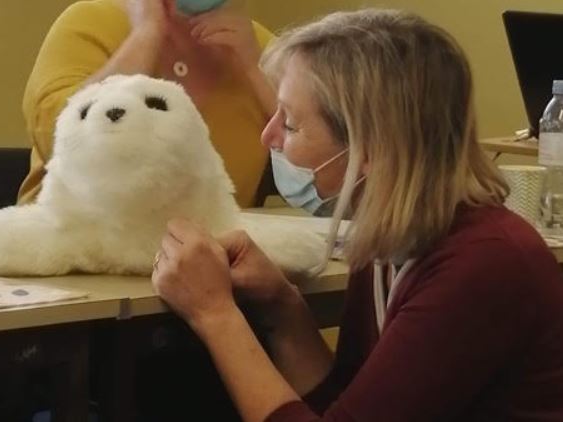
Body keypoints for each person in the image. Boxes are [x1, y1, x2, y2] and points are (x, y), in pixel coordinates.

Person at [152, 9, 563, 422]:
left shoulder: (483, 264)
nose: (268, 136)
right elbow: (346, 400)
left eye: (291, 124)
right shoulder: (388, 237)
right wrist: (282, 304)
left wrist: (215, 314)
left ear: (370, 148)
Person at [18, 0, 276, 208]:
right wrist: (145, 34)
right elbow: (56, 137)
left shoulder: (258, 45)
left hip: (209, 251)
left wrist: (255, 68)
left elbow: (302, 161)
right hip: (67, 249)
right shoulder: (89, 21)